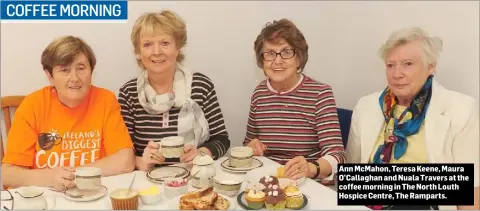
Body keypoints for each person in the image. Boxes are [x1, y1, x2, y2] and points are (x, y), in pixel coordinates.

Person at [345, 27, 479, 210]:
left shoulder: (461, 108)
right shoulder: (366, 105)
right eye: (390, 65)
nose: (397, 74)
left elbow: (471, 189)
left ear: (430, 66)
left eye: (408, 64)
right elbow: (352, 172)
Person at [1, 36, 135, 191]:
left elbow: (126, 160)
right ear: (50, 76)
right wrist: (51, 177)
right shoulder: (32, 105)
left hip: (93, 194)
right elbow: (8, 173)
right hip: (46, 197)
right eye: (65, 70)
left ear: (91, 71)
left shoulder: (105, 100)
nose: (75, 78)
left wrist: (74, 174)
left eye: (81, 68)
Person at [118, 10, 230, 171]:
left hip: (194, 177)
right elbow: (123, 151)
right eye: (148, 44)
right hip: (147, 183)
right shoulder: (128, 93)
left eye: (165, 43)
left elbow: (222, 139)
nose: (157, 52)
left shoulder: (200, 85)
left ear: (178, 48)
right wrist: (142, 161)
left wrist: (201, 153)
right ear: (138, 52)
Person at [243, 19, 346, 184]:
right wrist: (252, 145)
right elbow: (248, 142)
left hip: (307, 182)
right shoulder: (259, 93)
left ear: (299, 58)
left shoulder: (320, 93)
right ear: (262, 61)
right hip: (268, 179)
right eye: (269, 53)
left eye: (286, 52)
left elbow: (337, 155)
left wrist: (311, 168)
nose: (277, 61)